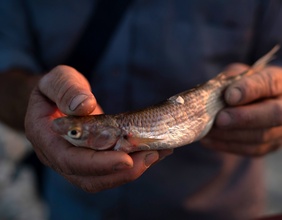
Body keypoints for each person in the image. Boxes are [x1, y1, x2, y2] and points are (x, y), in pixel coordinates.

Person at [1, 0, 282, 219]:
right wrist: (33, 99)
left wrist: (274, 102)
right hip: (74, 209)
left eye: (76, 132)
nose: (72, 134)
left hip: (220, 210)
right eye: (76, 133)